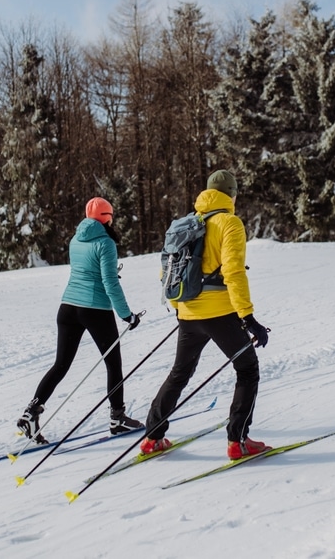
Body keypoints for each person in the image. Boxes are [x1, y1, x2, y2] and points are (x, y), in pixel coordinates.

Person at [140, 170, 271, 460]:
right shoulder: (230, 223)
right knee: (247, 369)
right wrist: (248, 318)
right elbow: (233, 272)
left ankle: (152, 437)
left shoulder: (189, 223)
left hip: (187, 312)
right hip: (219, 312)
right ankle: (238, 441)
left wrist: (182, 307)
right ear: (232, 194)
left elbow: (167, 271)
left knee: (180, 373)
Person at [17, 197, 144, 443]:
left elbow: (87, 271)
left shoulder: (76, 239)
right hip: (94, 309)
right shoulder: (106, 243)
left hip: (68, 308)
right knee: (113, 364)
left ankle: (31, 412)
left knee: (61, 364)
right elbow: (109, 282)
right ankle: (118, 420)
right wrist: (127, 315)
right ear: (108, 218)